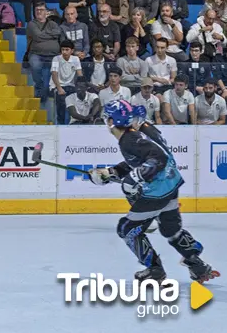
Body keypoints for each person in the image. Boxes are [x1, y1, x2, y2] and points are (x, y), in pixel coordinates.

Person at [89, 100, 217, 283]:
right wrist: (112, 172)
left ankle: (154, 269)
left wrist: (132, 179)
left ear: (111, 121)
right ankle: (196, 263)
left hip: (157, 192)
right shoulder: (135, 134)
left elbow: (158, 159)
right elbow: (144, 160)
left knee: (127, 228)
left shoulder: (129, 139)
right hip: (170, 185)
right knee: (170, 229)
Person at [26, 2, 61, 98]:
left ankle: (46, 91)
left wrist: (44, 34)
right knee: (35, 65)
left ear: (46, 12)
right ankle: (39, 87)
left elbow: (58, 33)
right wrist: (51, 35)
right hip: (37, 54)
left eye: (41, 10)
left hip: (53, 55)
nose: (39, 12)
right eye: (37, 10)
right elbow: (37, 36)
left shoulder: (52, 23)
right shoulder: (31, 24)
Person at [51, 40, 83, 124]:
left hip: (71, 86)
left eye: (67, 50)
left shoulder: (75, 59)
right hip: (58, 86)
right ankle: (60, 124)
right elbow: (54, 75)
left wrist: (81, 87)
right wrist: (59, 88)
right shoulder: (56, 59)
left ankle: (72, 124)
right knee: (61, 104)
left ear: (72, 51)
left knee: (75, 104)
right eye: (62, 50)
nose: (64, 52)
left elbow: (80, 75)